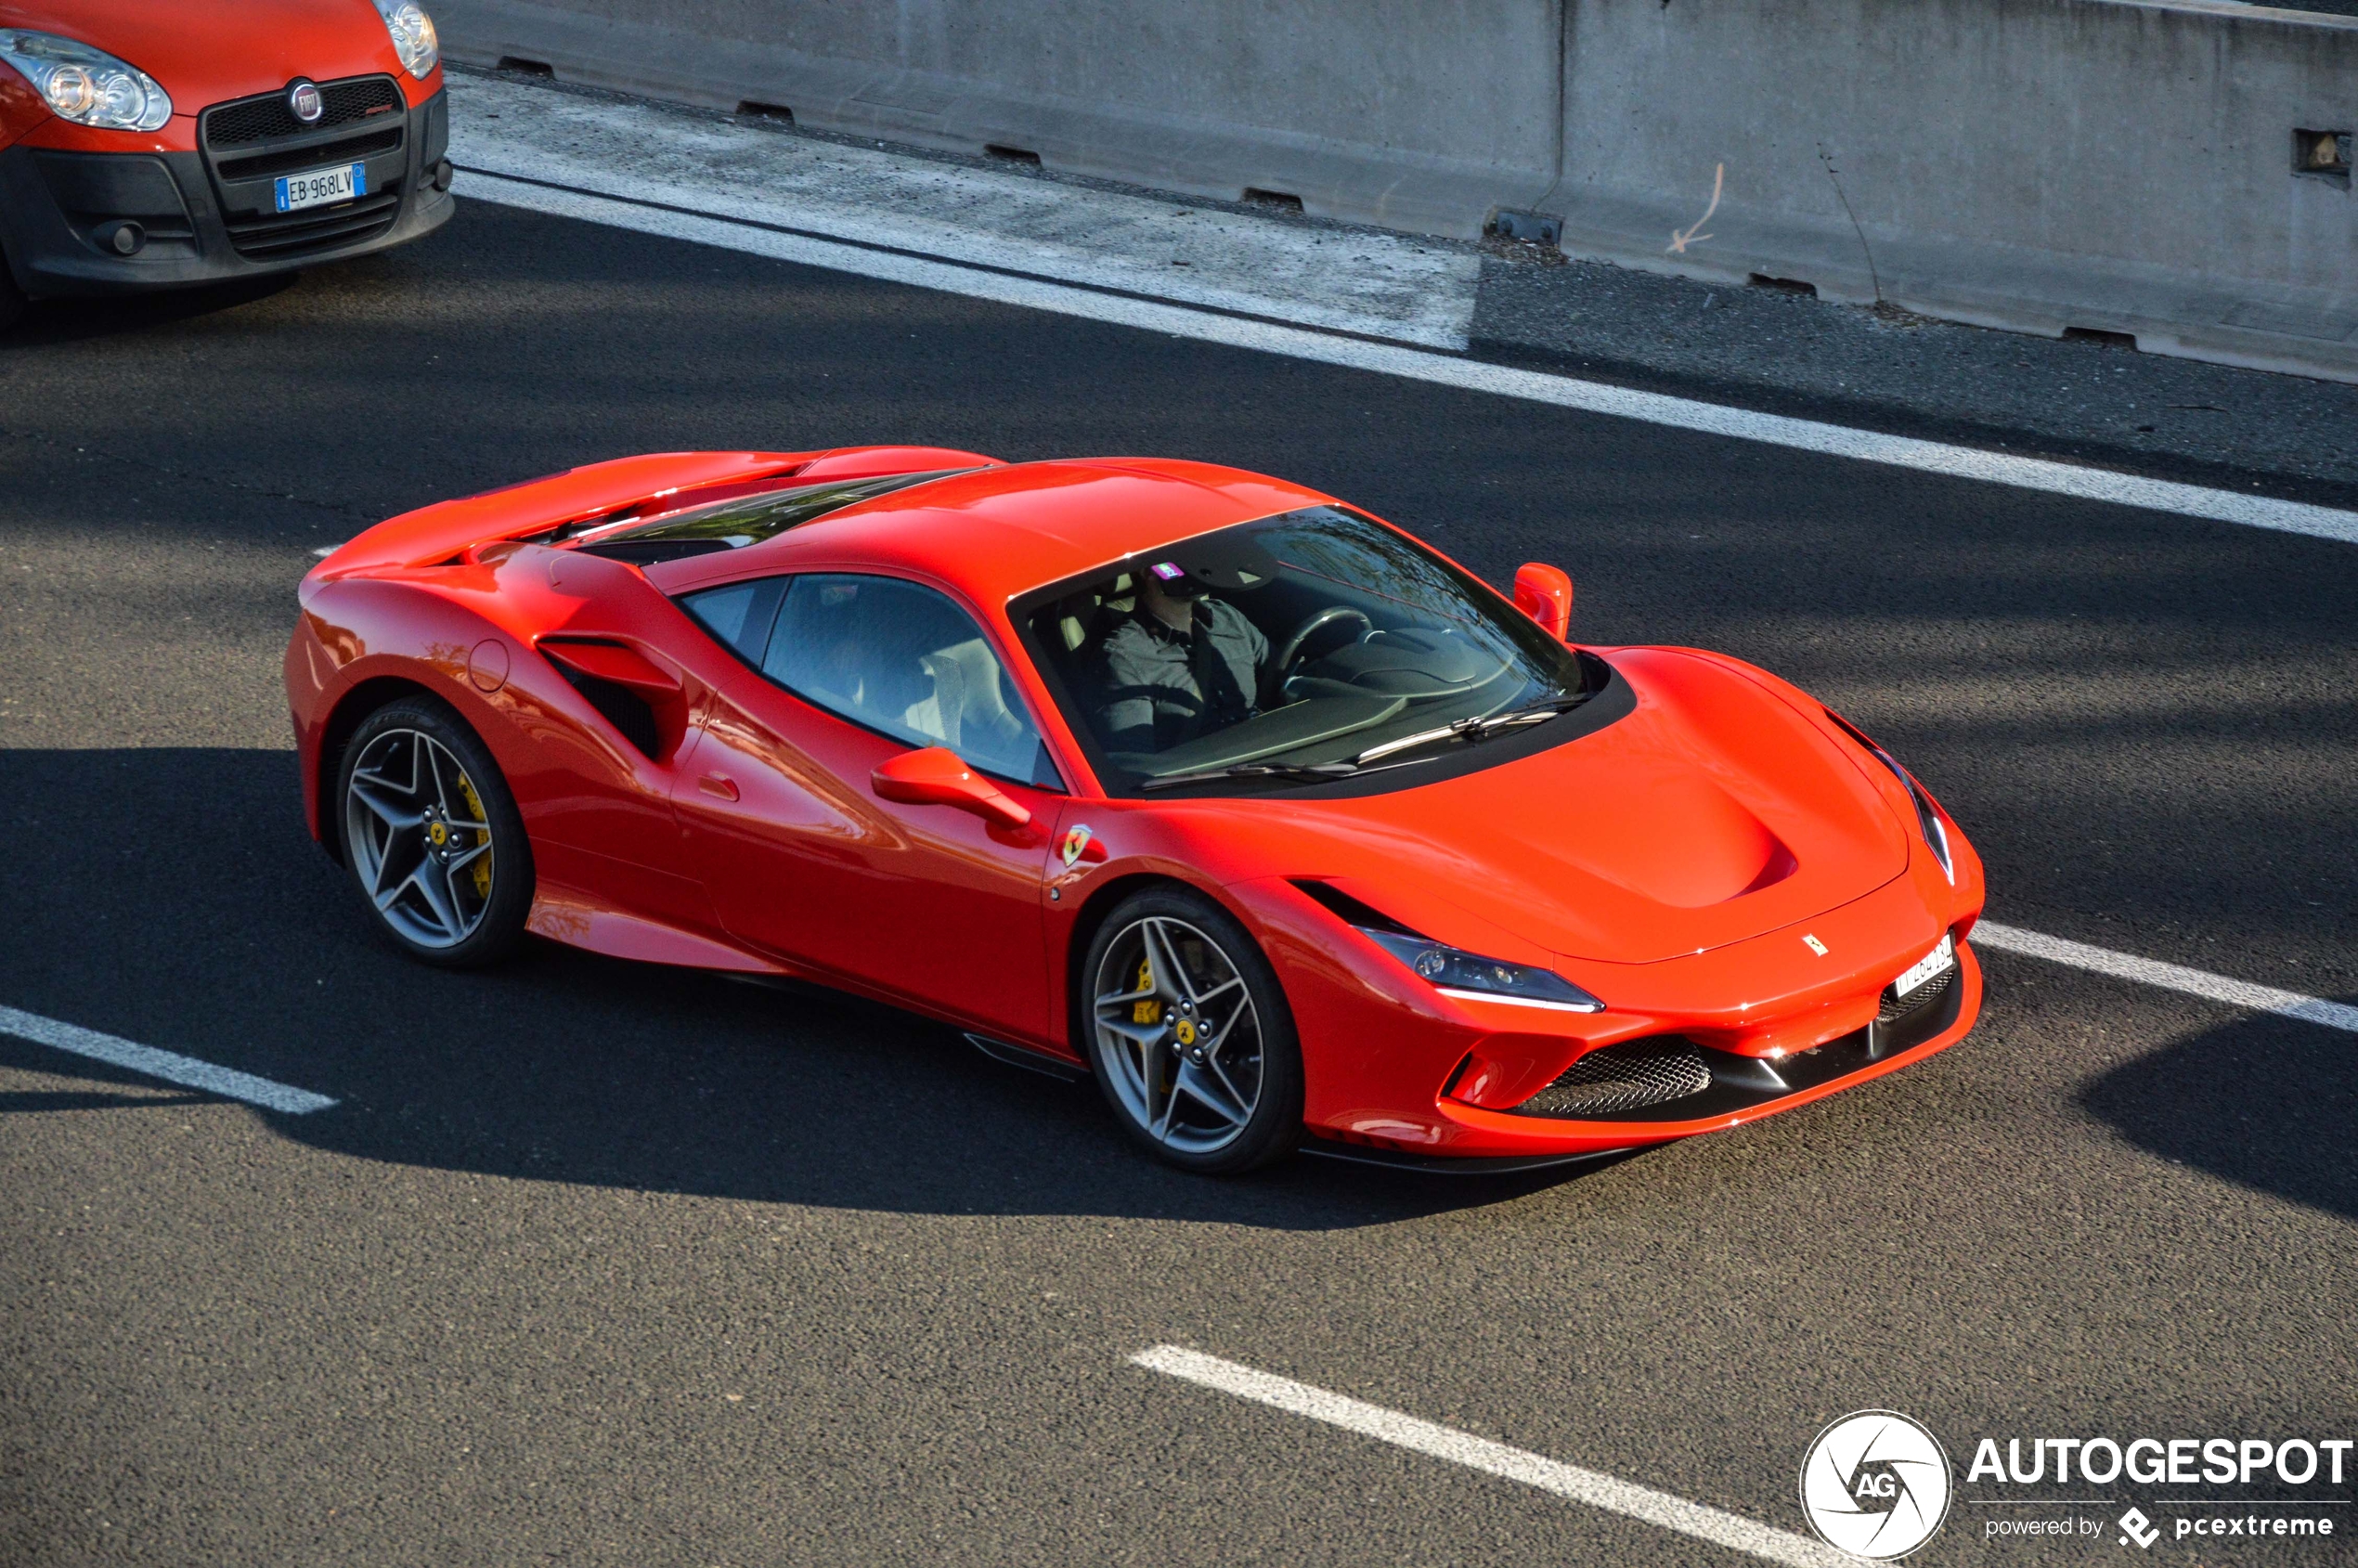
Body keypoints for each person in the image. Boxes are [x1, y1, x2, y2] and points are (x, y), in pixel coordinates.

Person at [1090, 561, 1269, 753]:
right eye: (1180, 561)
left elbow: (1281, 674)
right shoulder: (1124, 657)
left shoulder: (1227, 617)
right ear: (1148, 572)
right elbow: (1136, 763)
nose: (1195, 569)